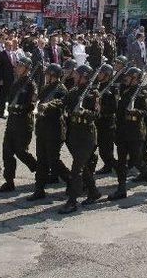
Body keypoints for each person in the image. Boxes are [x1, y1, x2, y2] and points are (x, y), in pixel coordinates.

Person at [108, 67, 147, 200]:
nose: (126, 79)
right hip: (122, 131)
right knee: (121, 162)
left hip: (135, 132)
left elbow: (145, 111)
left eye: (129, 77)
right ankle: (121, 189)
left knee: (136, 160)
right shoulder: (125, 90)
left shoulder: (142, 93)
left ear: (135, 78)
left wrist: (134, 111)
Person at [60, 64, 101, 213]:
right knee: (81, 167)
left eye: (77, 74)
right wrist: (49, 104)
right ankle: (94, 192)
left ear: (84, 76)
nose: (74, 76)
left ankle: (72, 201)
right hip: (74, 135)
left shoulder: (93, 94)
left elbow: (96, 114)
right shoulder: (73, 91)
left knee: (76, 169)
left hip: (86, 136)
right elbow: (62, 103)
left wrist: (83, 112)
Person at [28, 63, 70, 201]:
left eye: (48, 75)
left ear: (54, 76)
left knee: (54, 160)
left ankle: (71, 181)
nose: (46, 77)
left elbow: (60, 105)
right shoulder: (47, 88)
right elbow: (38, 98)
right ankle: (39, 189)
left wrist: (48, 105)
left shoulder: (61, 89)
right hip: (42, 128)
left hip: (54, 128)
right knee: (41, 160)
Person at [0, 56, 38, 193]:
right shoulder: (16, 82)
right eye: (18, 65)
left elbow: (32, 104)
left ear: (27, 68)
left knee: (21, 151)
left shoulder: (31, 84)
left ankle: (39, 169)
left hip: (23, 121)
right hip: (12, 121)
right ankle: (9, 181)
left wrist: (21, 107)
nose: (18, 68)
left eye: (21, 66)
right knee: (7, 151)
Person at [94, 63, 118, 174]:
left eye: (101, 73)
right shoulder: (98, 86)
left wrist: (101, 108)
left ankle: (118, 167)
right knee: (101, 148)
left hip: (108, 122)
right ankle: (108, 166)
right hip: (98, 121)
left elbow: (114, 107)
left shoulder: (113, 88)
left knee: (106, 150)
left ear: (107, 75)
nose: (98, 75)